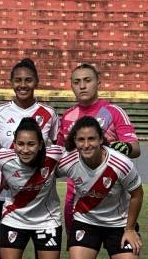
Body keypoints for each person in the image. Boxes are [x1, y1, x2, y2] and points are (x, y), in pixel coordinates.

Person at [0, 58, 58, 257]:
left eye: (28, 80)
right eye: (18, 80)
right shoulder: (1, 111)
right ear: (11, 82)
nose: (23, 85)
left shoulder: (49, 113)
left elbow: (56, 149)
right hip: (5, 195)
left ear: (36, 81)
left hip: (40, 195)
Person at [57, 63, 140, 232]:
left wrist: (122, 147)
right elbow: (60, 154)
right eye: (76, 82)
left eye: (87, 80)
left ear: (98, 83)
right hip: (77, 198)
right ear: (71, 85)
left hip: (112, 195)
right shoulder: (67, 116)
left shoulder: (113, 112)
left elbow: (136, 148)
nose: (82, 86)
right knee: (79, 253)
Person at [57, 116, 143, 259]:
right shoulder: (68, 162)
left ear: (101, 139)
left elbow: (137, 194)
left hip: (119, 224)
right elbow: (46, 175)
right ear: (74, 141)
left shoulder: (121, 164)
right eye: (81, 140)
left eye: (92, 139)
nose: (86, 145)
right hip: (86, 222)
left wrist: (130, 229)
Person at [0, 118, 63, 259]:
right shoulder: (2, 158)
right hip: (14, 219)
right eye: (20, 144)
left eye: (31, 144)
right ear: (14, 144)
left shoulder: (54, 155)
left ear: (41, 144)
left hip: (47, 221)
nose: (25, 150)